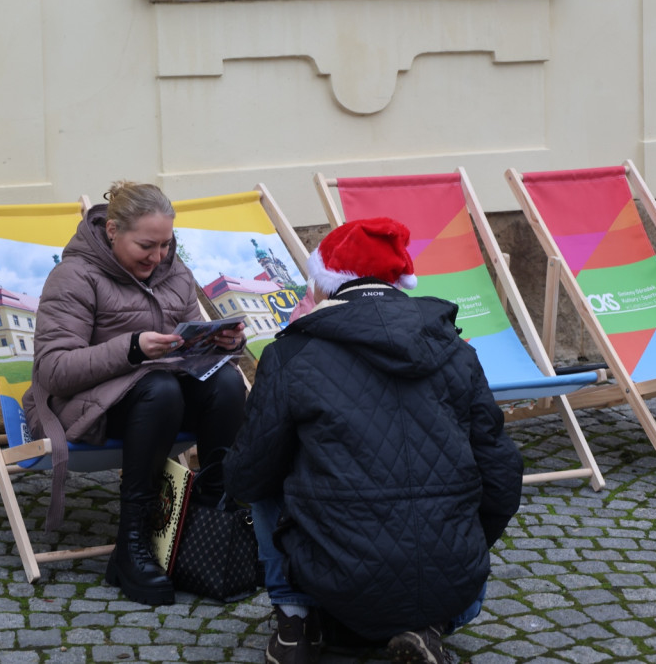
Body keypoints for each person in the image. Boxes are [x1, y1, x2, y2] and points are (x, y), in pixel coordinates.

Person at [223, 217, 523, 664]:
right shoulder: (457, 350)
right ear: (399, 282)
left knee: (263, 470)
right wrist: (462, 548)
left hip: (333, 576)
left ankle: (296, 622)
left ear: (324, 283)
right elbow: (502, 474)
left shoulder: (290, 354)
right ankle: (427, 625)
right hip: (453, 586)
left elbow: (249, 479)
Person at [23, 180, 247, 606]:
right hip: (86, 405)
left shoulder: (174, 272)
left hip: (161, 396)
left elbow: (188, 344)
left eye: (166, 245)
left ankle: (212, 523)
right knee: (160, 388)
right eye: (147, 245)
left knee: (227, 382)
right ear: (112, 231)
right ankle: (133, 543)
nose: (158, 257)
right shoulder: (73, 276)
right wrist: (131, 348)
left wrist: (222, 344)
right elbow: (53, 371)